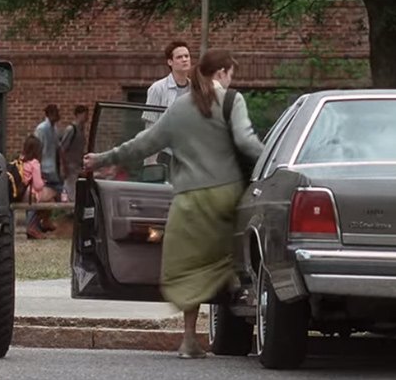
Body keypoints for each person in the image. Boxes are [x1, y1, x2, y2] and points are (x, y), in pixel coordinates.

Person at [83, 49, 264, 359]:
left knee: (188, 267)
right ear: (220, 73)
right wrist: (273, 161)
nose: (231, 79)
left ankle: (190, 340)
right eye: (230, 73)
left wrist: (101, 159)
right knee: (231, 259)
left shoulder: (179, 109)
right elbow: (247, 143)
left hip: (189, 200)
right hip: (226, 195)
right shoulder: (231, 101)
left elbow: (142, 144)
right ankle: (235, 299)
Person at [142, 40, 192, 165]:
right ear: (170, 62)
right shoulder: (157, 88)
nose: (185, 60)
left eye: (187, 56)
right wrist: (151, 163)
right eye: (179, 57)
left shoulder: (195, 89)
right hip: (164, 154)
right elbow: (150, 127)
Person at [19, 135, 57, 239]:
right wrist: (43, 182)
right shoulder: (34, 163)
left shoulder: (20, 160)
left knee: (49, 201)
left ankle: (38, 225)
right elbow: (38, 185)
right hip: (30, 195)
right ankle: (40, 223)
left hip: (19, 194)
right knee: (53, 195)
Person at [33, 104, 62, 232]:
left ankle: (44, 220)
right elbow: (37, 148)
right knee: (48, 194)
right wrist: (37, 168)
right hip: (44, 167)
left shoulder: (54, 129)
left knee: (51, 196)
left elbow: (57, 148)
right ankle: (34, 222)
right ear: (49, 114)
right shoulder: (41, 129)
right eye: (55, 113)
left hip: (52, 168)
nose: (58, 116)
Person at [60, 105, 88, 201]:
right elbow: (63, 149)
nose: (86, 117)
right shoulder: (71, 129)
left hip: (78, 166)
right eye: (85, 114)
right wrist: (64, 166)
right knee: (70, 191)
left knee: (76, 190)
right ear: (79, 114)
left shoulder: (81, 130)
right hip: (70, 165)